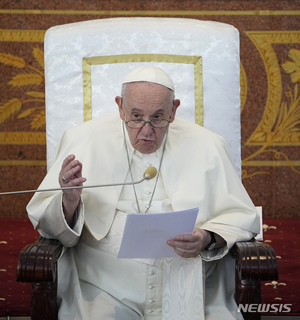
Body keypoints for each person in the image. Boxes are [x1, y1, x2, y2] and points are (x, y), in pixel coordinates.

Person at [27, 65, 259, 320]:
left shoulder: (209, 145)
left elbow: (241, 215)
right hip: (102, 285)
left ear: (174, 110)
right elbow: (46, 224)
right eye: (136, 116)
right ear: (120, 107)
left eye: (158, 118)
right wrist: (68, 201)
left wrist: (207, 237)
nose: (146, 131)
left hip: (191, 284)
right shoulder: (82, 139)